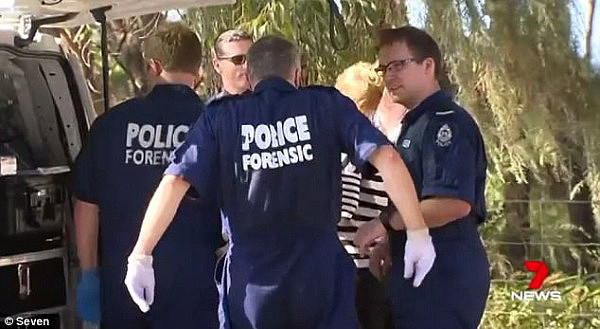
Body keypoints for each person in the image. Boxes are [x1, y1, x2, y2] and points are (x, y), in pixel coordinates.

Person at [124, 35, 436, 329]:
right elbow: (388, 158)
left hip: (253, 283)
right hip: (320, 277)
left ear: (249, 76)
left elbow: (175, 180)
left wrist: (142, 253)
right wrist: (418, 231)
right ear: (298, 74)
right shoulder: (326, 105)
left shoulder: (221, 117)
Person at [73, 22, 221, 329]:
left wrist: (90, 274)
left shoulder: (109, 125)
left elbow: (87, 206)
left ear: (153, 66)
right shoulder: (216, 122)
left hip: (123, 288)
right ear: (199, 67)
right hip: (197, 290)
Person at [355, 26, 490, 329]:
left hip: (444, 271)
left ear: (428, 66)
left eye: (399, 65)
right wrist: (391, 240)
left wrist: (385, 223)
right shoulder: (415, 124)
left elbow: (451, 203)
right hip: (413, 272)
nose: (389, 76)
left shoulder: (446, 124)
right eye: (384, 68)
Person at [335, 62, 402, 329]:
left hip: (353, 267)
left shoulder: (350, 152)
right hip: (376, 270)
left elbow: (342, 211)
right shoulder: (383, 148)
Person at [209, 29, 254, 101]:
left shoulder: (272, 106)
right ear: (217, 65)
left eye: (251, 58)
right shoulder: (210, 110)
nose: (246, 65)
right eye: (238, 59)